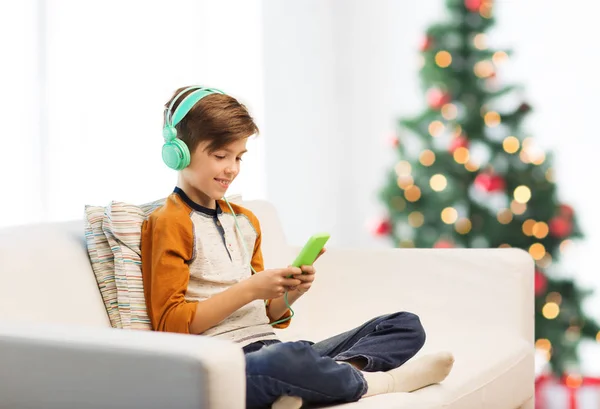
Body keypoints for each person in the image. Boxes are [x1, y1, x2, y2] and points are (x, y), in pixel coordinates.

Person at [140, 86, 454, 409]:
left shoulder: (245, 221)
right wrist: (250, 289)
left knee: (404, 325)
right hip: (231, 368)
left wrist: (289, 293)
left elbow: (267, 316)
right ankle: (378, 382)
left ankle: (313, 384)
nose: (232, 168)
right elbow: (170, 324)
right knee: (288, 358)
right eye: (221, 156)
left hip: (272, 350)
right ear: (178, 152)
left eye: (238, 157)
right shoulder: (169, 222)